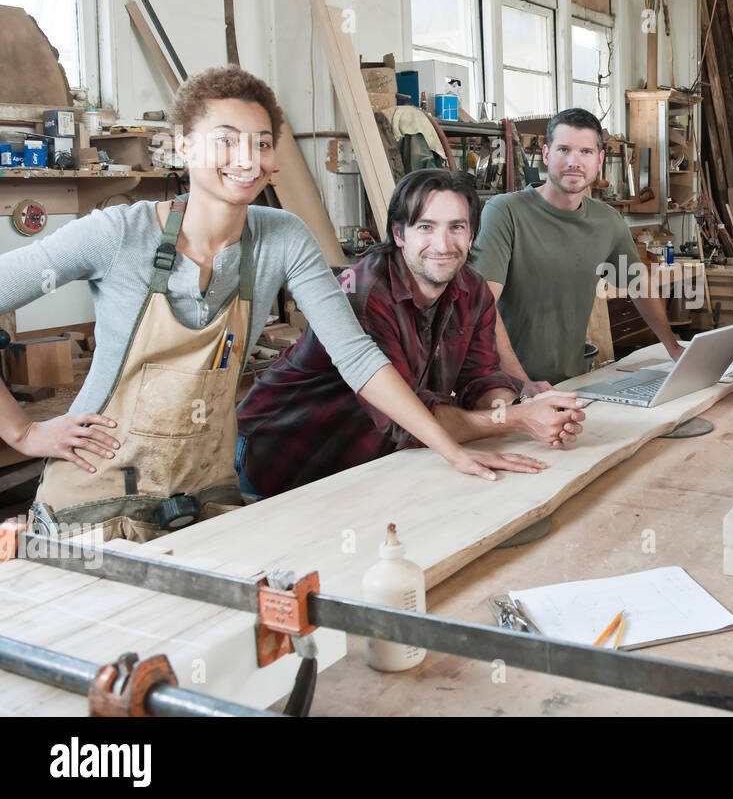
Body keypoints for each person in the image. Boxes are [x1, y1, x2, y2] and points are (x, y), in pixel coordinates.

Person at [0, 66, 542, 543]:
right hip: (98, 497)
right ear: (183, 146)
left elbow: (357, 358)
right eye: (227, 140)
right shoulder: (119, 233)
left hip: (204, 494)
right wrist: (25, 434)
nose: (247, 159)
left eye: (261, 143)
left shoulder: (281, 237)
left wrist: (453, 450)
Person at [236, 169, 588, 498]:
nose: (443, 244)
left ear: (472, 233)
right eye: (425, 227)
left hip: (370, 469)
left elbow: (480, 378)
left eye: (457, 227)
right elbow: (407, 419)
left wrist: (524, 412)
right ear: (398, 234)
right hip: (284, 466)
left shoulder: (472, 289)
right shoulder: (365, 294)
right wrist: (513, 421)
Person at [473, 108, 683, 393]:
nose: (574, 162)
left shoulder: (607, 220)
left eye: (585, 151)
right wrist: (523, 384)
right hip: (503, 385)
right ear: (546, 155)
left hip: (572, 381)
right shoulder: (504, 212)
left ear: (599, 160)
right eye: (564, 150)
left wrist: (673, 348)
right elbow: (481, 303)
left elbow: (639, 284)